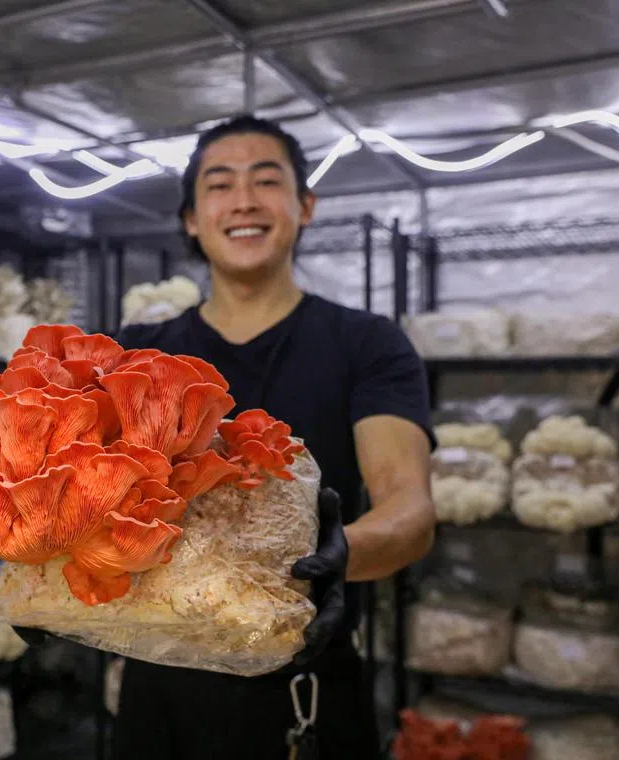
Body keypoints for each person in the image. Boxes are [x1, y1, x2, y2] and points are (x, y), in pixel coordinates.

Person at [109, 115, 437, 759]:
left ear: (304, 206)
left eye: (266, 181)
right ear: (191, 218)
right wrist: (40, 566)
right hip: (159, 683)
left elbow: (409, 506)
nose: (243, 201)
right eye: (219, 185)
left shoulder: (367, 344)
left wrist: (336, 558)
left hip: (307, 682)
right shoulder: (136, 358)